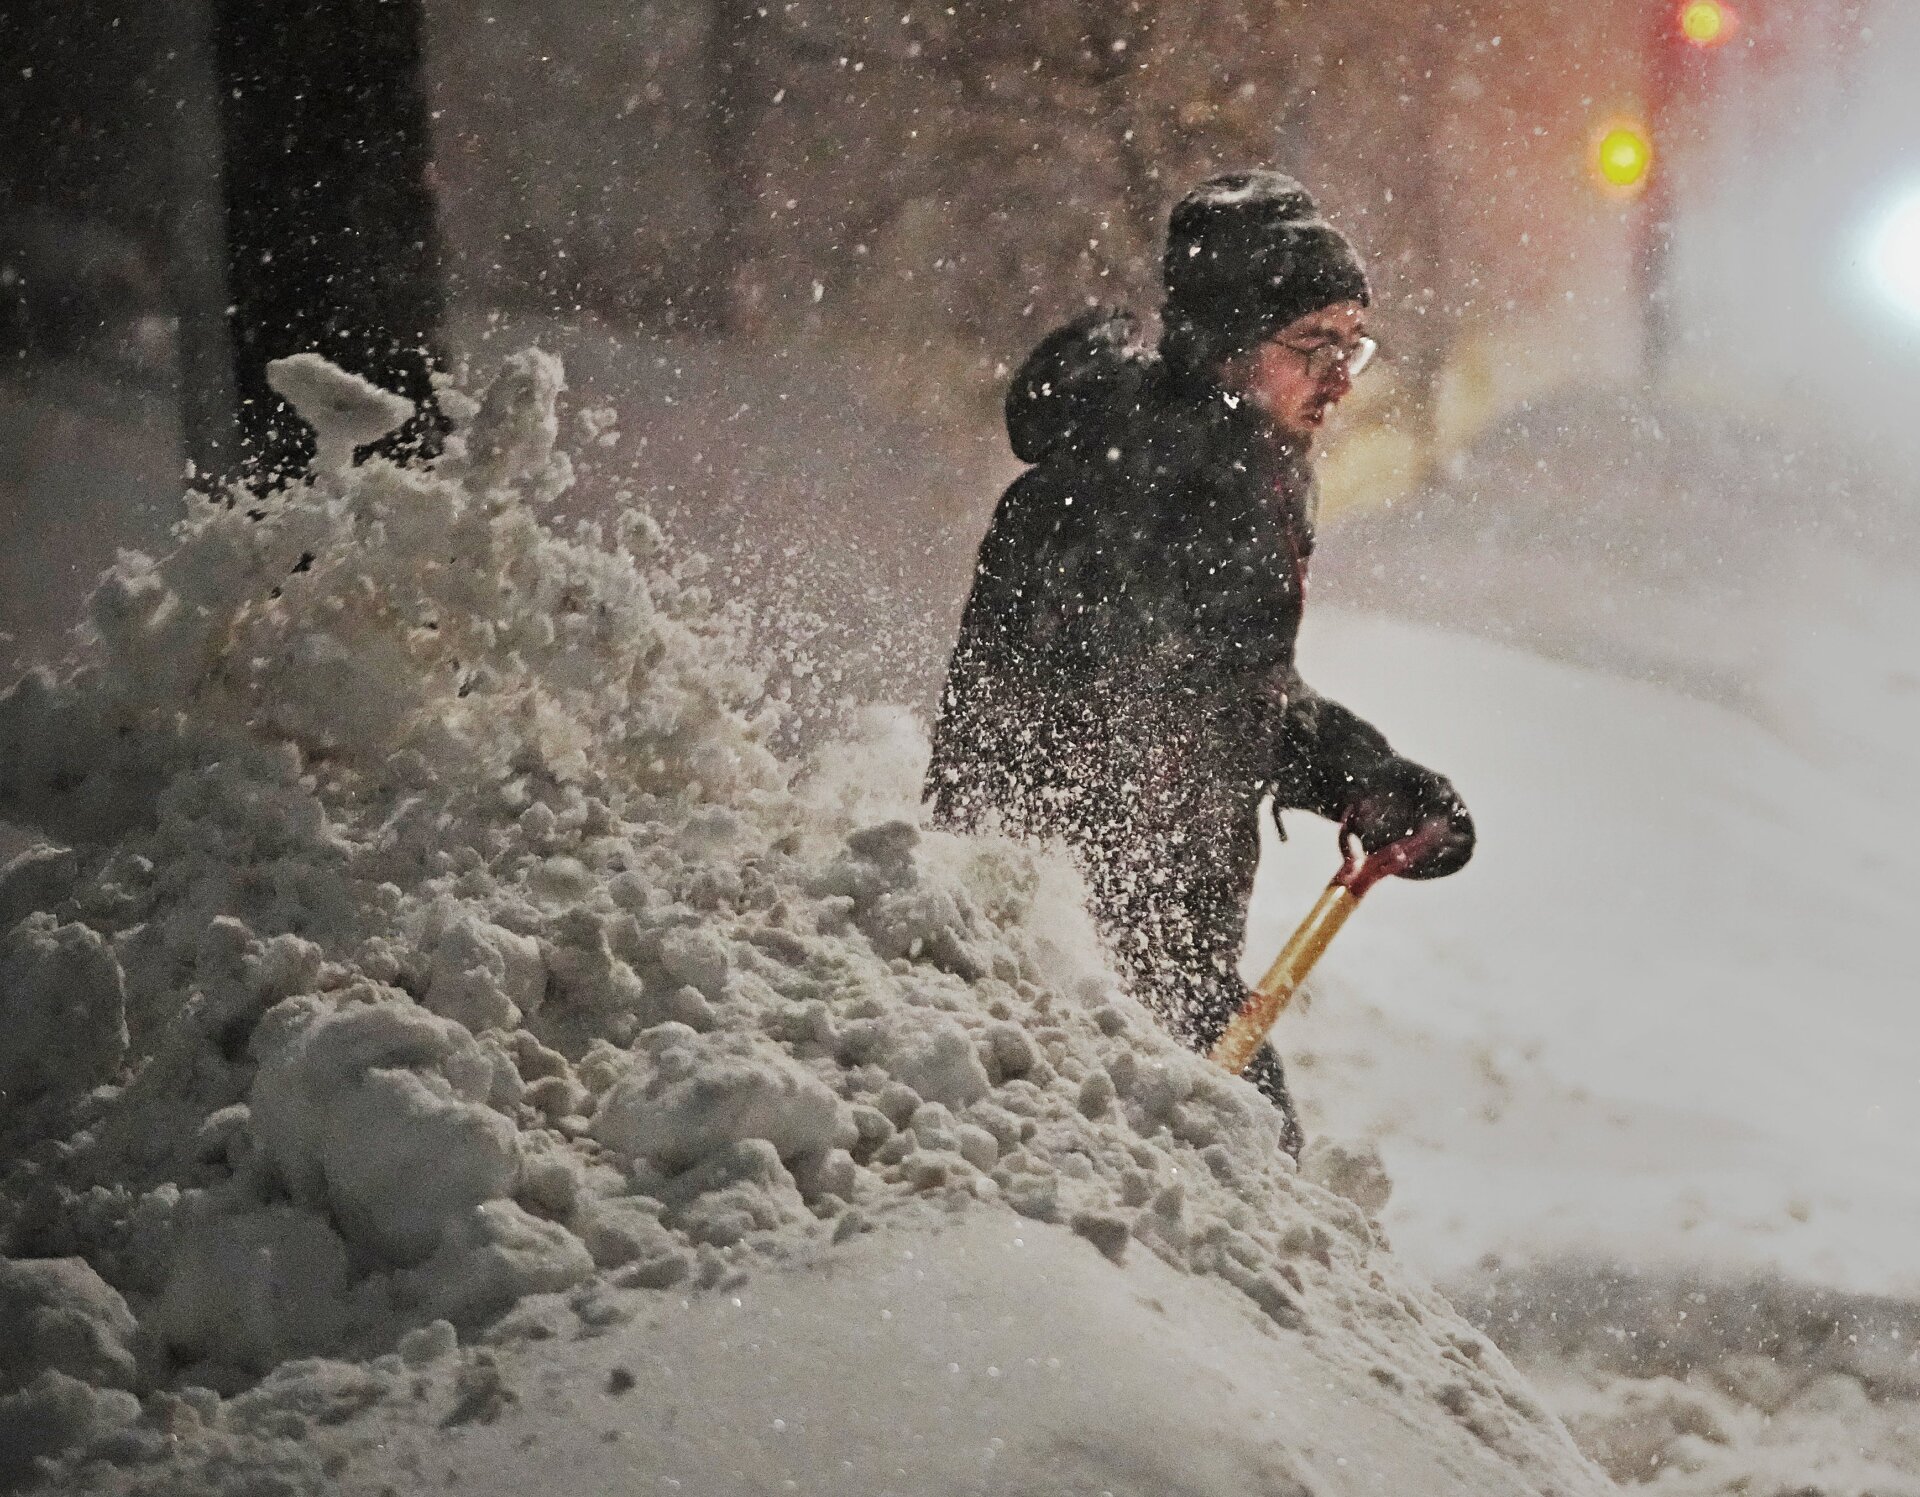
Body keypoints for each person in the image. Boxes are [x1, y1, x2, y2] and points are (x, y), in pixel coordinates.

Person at [925, 169, 1474, 1154]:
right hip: (1082, 955)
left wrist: (1365, 780)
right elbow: (1121, 720)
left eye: (1353, 345)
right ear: (1227, 345)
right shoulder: (1153, 482)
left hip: (1145, 941)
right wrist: (1138, 973)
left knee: (1244, 1194)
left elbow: (1231, 689)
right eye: (1313, 346)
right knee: (1227, 1183)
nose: (1342, 376)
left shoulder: (1238, 461)